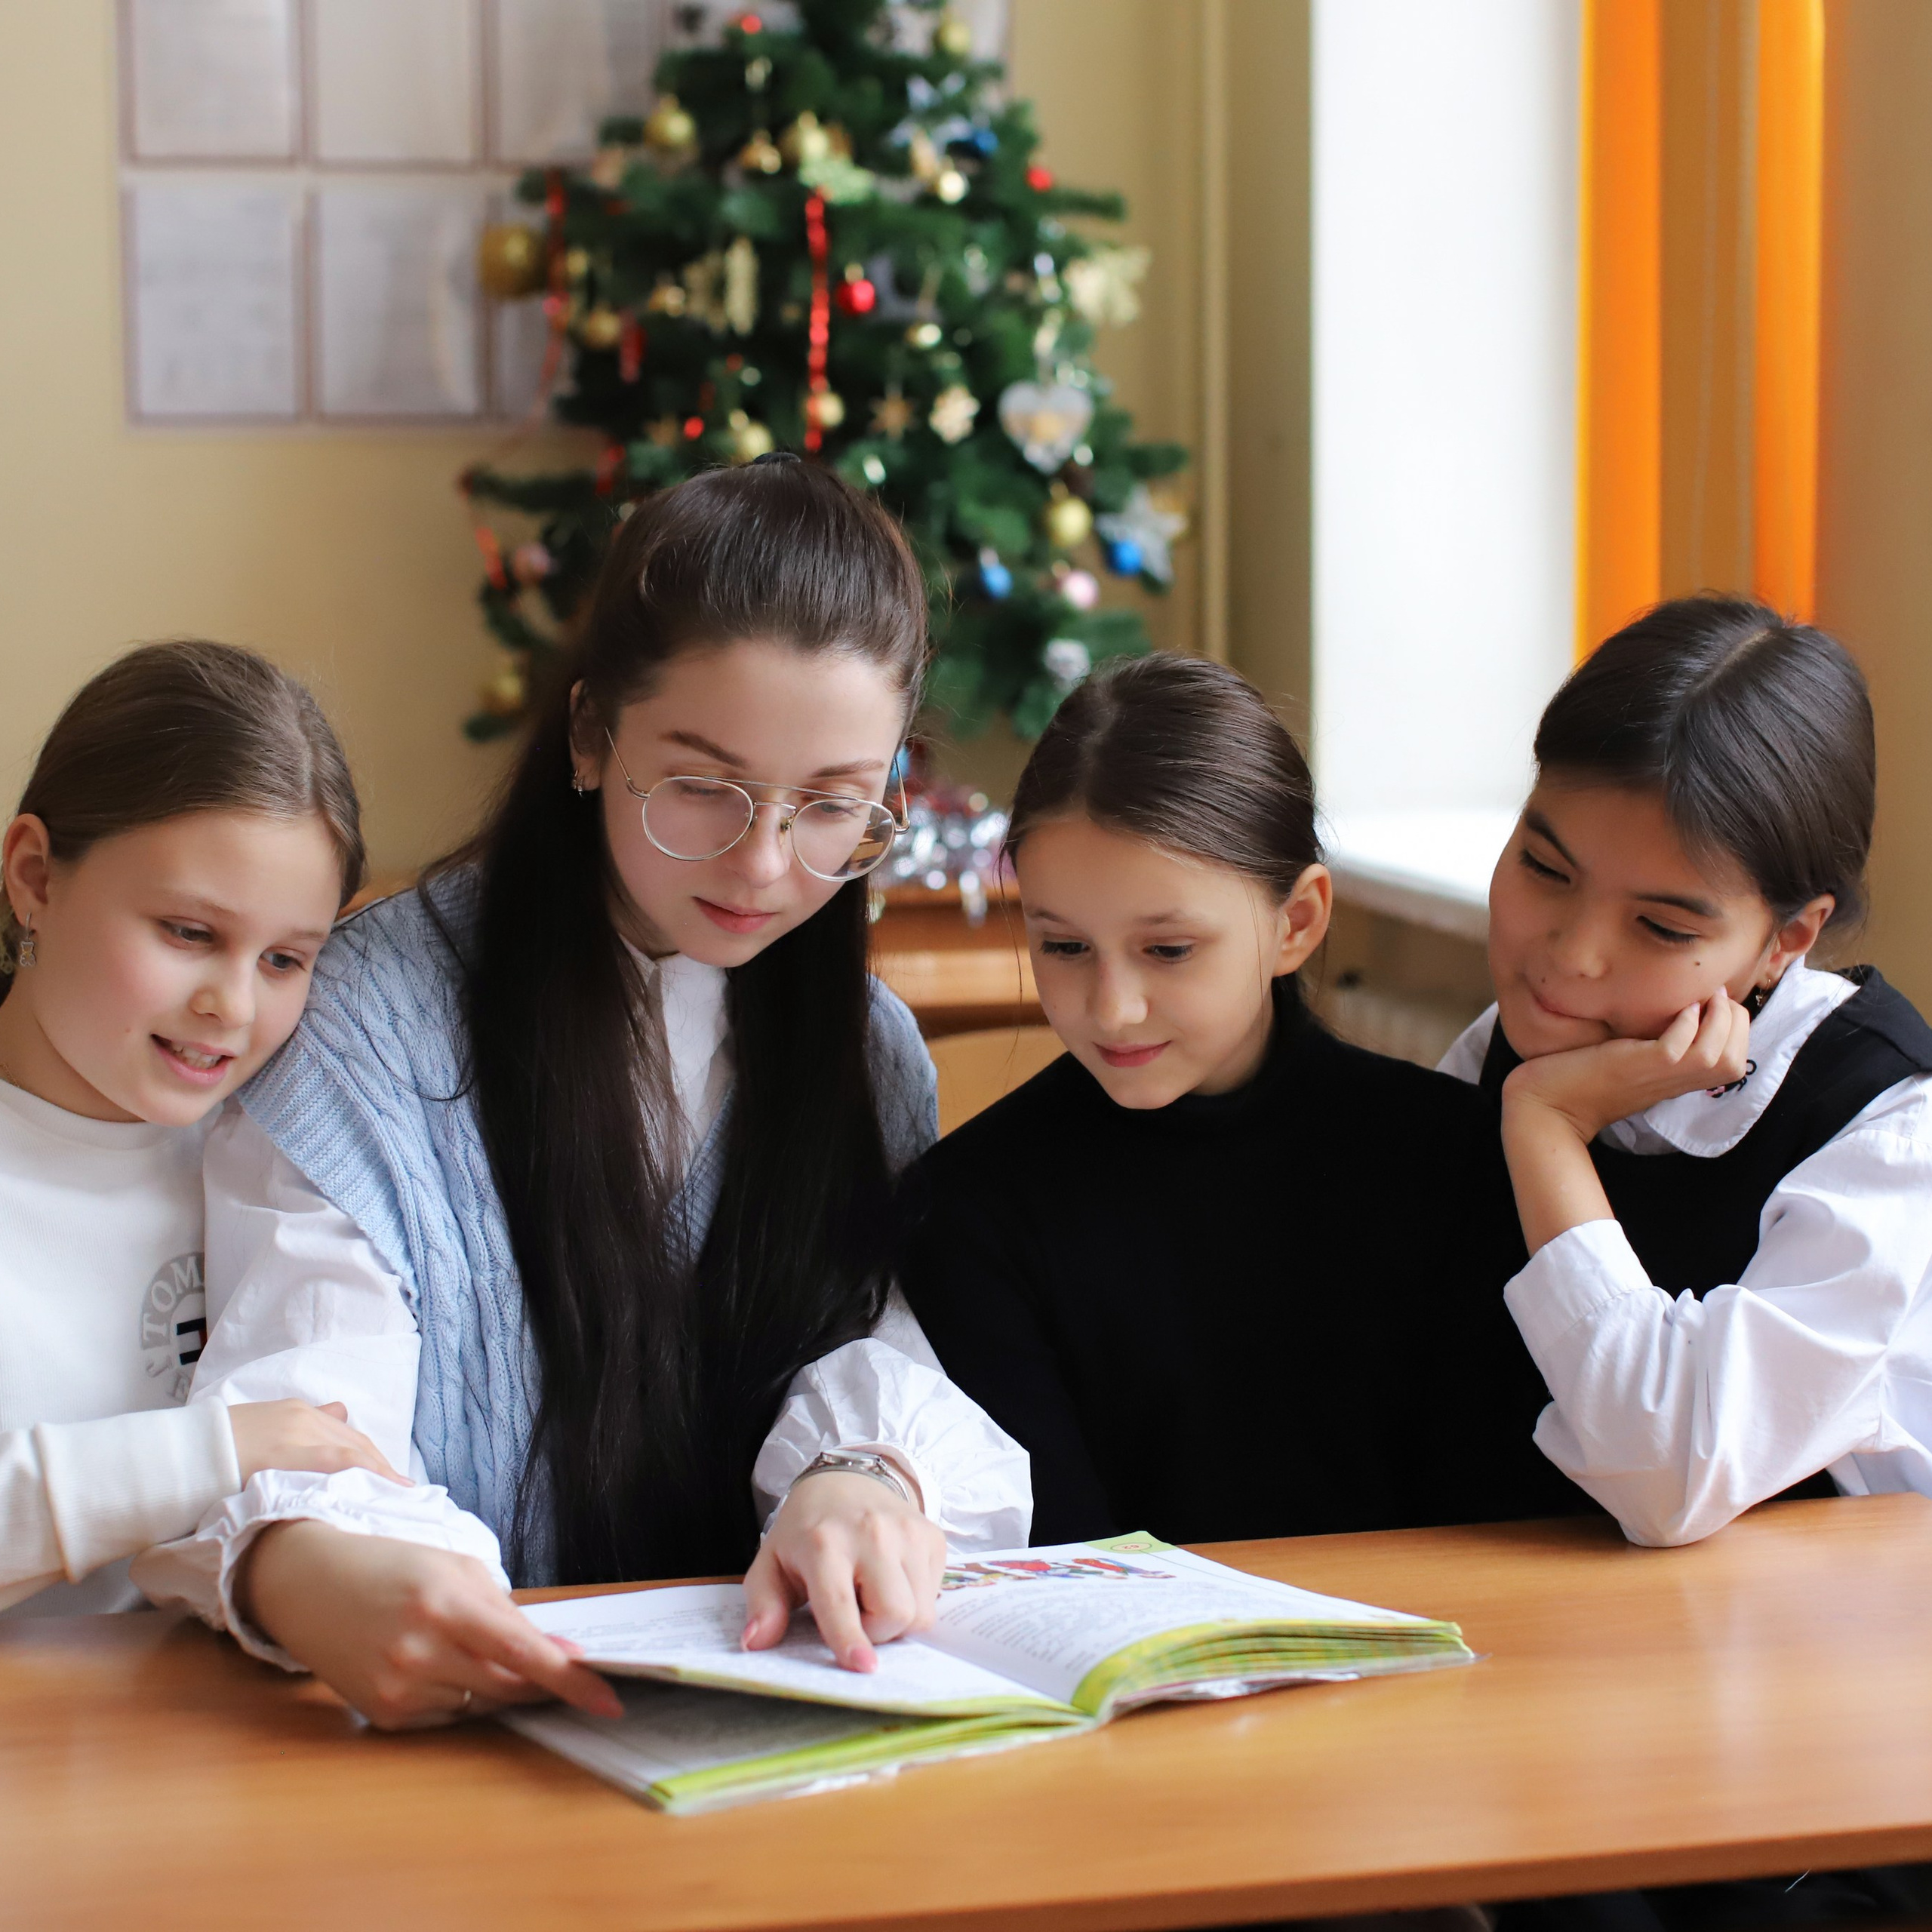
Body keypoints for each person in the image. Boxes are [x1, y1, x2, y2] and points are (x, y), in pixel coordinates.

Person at [135, 456, 1027, 1729]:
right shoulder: (368, 1028)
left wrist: (863, 1476)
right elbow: (304, 1400)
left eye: (834, 805)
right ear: (591, 734)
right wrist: (314, 1566)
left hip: (791, 1747)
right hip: (449, 1757)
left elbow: (883, 1340)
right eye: (705, 787)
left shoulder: (871, 1052)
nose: (767, 864)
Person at [897, 652, 1577, 1548]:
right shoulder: (969, 1207)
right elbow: (1053, 1559)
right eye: (1063, 947)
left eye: (1168, 949)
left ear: (1295, 923)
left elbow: (1508, 1528)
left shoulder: (1457, 1162)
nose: (1111, 1007)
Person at [1442, 595, 1932, 1550]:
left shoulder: (1885, 1126)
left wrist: (1545, 1130)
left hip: (1820, 1663)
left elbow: (1666, 1472)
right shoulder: (1499, 1048)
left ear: (1785, 941)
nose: (1571, 955)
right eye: (1543, 866)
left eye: (1661, 927)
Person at [0, 641, 404, 1618]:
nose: (231, 1004)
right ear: (35, 878)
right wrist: (211, 1453)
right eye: (189, 933)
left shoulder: (298, 1174)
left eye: (284, 960)